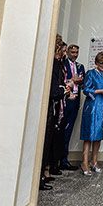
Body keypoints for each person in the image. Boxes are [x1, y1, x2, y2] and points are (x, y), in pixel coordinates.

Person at [79, 52, 103, 175]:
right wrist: (99, 91)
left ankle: (94, 162)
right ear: (96, 63)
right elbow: (85, 89)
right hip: (93, 107)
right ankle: (84, 162)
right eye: (101, 63)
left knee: (98, 136)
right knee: (89, 135)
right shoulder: (90, 73)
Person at [40, 39, 67, 190]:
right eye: (62, 50)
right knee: (46, 142)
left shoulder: (57, 64)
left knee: (51, 141)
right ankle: (41, 175)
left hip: (55, 108)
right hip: (51, 107)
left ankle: (46, 170)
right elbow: (53, 90)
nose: (64, 53)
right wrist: (63, 90)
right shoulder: (54, 64)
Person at [59, 44, 85, 170]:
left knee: (69, 131)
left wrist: (79, 80)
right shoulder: (63, 64)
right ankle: (58, 160)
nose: (75, 54)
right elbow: (60, 80)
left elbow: (83, 81)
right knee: (60, 130)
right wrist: (71, 80)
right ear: (68, 52)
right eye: (73, 52)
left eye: (76, 52)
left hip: (75, 102)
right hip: (65, 101)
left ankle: (64, 159)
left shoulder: (80, 66)